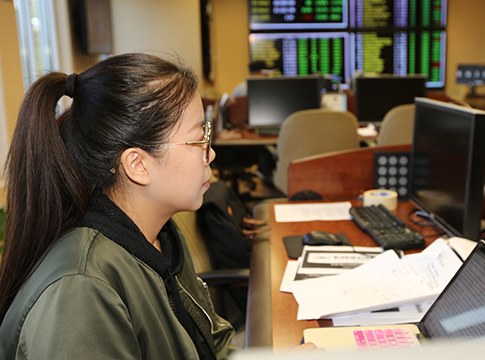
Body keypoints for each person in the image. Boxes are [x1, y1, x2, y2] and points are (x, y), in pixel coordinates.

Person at [0, 53, 318, 359]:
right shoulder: (80, 291)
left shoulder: (158, 233)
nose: (211, 155)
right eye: (198, 139)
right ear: (138, 165)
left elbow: (210, 345)